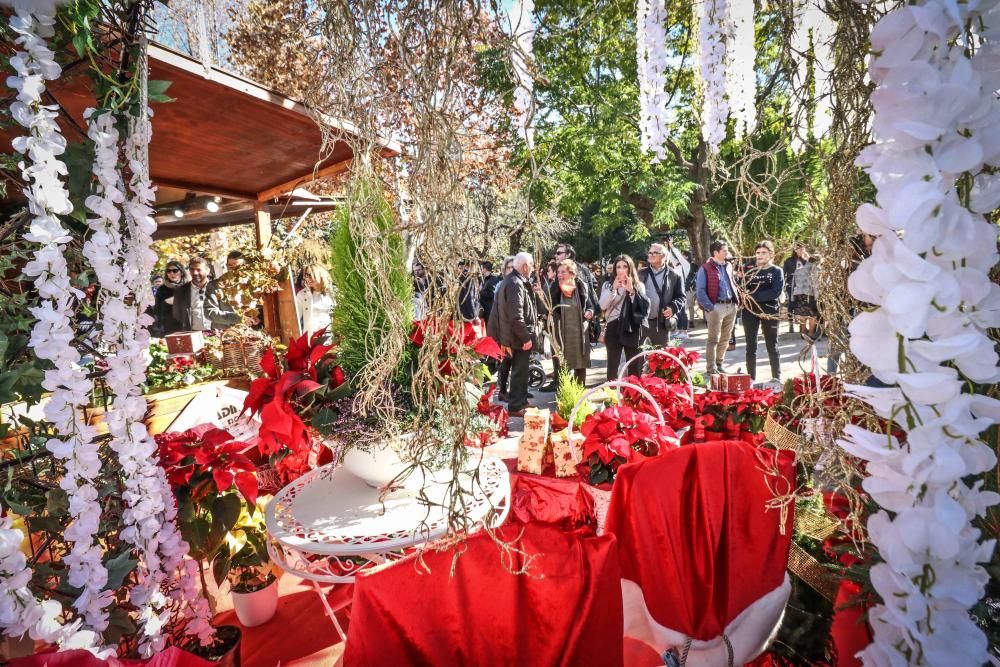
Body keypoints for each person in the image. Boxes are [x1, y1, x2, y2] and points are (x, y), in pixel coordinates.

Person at [487, 252, 538, 417]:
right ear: (525, 266)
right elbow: (516, 315)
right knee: (519, 372)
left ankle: (521, 401)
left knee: (521, 372)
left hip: (514, 337)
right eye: (531, 265)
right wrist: (526, 337)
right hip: (517, 338)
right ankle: (516, 406)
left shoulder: (512, 281)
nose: (532, 269)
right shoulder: (515, 283)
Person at [544, 260, 595, 389]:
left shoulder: (581, 286)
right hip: (561, 335)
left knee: (580, 364)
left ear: (572, 273)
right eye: (558, 272)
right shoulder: (553, 288)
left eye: (563, 272)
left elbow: (590, 305)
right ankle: (565, 396)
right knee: (563, 366)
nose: (560, 275)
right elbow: (546, 308)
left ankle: (579, 394)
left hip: (579, 334)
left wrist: (590, 311)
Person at [739, 241, 784, 382]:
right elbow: (742, 289)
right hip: (749, 312)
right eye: (758, 253)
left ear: (771, 254)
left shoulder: (776, 271)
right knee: (750, 346)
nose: (760, 255)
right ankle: (751, 379)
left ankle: (776, 378)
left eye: (763, 252)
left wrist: (753, 297)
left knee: (772, 345)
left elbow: (775, 292)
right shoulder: (748, 270)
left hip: (770, 311)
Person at [599, 255, 650, 380]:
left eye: (625, 266)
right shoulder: (607, 285)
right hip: (613, 325)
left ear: (630, 268)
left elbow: (642, 308)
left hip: (631, 326)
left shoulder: (639, 286)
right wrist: (613, 290)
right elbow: (602, 305)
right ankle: (611, 392)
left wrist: (632, 291)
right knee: (612, 363)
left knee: (634, 362)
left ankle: (633, 392)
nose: (621, 270)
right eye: (618, 267)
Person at [695, 241, 739, 375]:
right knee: (713, 339)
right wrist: (710, 307)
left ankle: (720, 364)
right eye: (724, 251)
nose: (727, 253)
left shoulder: (729, 266)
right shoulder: (705, 268)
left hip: (731, 305)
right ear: (716, 252)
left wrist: (736, 301)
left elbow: (732, 283)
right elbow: (700, 291)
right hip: (716, 307)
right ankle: (711, 367)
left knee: (726, 338)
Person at [171, 255, 240, 331]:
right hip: (194, 334)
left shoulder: (220, 287)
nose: (195, 273)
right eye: (192, 269)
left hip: (220, 333)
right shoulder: (181, 291)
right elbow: (177, 315)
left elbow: (229, 309)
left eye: (198, 269)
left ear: (207, 271)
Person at [639, 242, 686, 348]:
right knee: (639, 358)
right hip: (641, 322)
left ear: (664, 256)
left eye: (655, 253)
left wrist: (672, 308)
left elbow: (681, 297)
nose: (651, 255)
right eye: (650, 252)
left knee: (661, 358)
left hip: (661, 322)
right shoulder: (640, 273)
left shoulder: (674, 275)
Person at [149, 260, 187, 337]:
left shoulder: (188, 287)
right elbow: (158, 310)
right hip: (170, 328)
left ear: (181, 272)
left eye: (175, 270)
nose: (171, 273)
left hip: (187, 326)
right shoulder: (163, 289)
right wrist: (166, 303)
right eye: (168, 271)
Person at [296, 264, 335, 339]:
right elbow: (295, 317)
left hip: (330, 335)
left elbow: (339, 315)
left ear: (319, 275)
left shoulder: (333, 293)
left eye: (310, 275)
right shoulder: (302, 295)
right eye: (306, 276)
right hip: (311, 337)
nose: (307, 279)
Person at [554, 243, 598, 308]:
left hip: (578, 312)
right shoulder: (582, 267)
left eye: (559, 253)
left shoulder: (573, 270)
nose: (555, 255)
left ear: (568, 255)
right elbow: (595, 283)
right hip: (588, 310)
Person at [790, 246, 820, 342]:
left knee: (802, 314)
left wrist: (792, 296)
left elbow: (793, 282)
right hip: (810, 294)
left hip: (798, 294)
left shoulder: (799, 269)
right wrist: (817, 296)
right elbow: (816, 283)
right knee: (812, 315)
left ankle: (803, 332)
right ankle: (811, 333)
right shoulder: (816, 269)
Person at [782, 245, 801, 334]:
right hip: (791, 285)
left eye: (802, 249)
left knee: (802, 304)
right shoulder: (788, 261)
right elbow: (783, 273)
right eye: (798, 249)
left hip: (803, 286)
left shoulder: (805, 260)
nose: (800, 250)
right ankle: (791, 324)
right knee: (791, 303)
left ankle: (802, 326)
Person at [479, 260, 501, 324]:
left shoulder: (493, 279)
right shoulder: (485, 279)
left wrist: (480, 291)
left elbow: (492, 294)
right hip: (484, 310)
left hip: (489, 311)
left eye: (481, 268)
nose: (480, 270)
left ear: (485, 269)